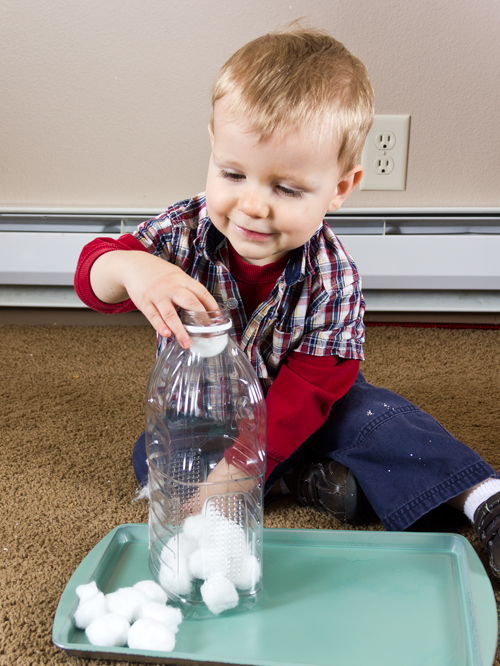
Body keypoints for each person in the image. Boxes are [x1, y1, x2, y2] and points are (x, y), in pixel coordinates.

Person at [74, 27, 500, 579]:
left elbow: (319, 383)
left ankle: (483, 497)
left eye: (287, 189)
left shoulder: (332, 273)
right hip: (211, 408)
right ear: (212, 145)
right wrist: (132, 267)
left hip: (308, 404)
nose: (253, 206)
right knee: (151, 459)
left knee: (380, 421)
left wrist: (243, 470)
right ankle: (308, 479)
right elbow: (92, 273)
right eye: (233, 174)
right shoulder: (181, 231)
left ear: (340, 188)